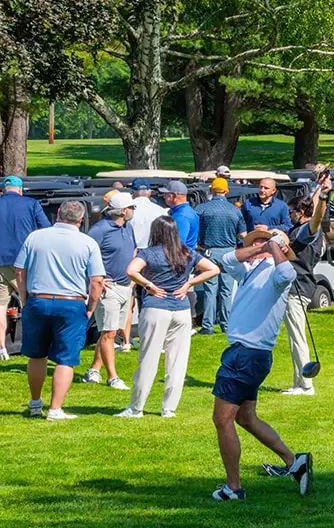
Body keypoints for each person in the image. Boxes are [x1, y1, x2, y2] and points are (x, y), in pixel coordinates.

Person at [209, 227, 312, 501]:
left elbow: (288, 273)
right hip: (246, 355)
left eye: (261, 243)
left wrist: (275, 248)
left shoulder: (276, 274)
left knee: (222, 418)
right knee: (245, 417)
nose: (254, 247)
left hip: (246, 355)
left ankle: (234, 488)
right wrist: (262, 246)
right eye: (254, 244)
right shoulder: (250, 269)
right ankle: (294, 462)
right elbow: (228, 260)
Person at [118, 216, 218, 418]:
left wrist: (148, 285)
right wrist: (189, 284)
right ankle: (168, 408)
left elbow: (131, 270)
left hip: (156, 308)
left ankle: (136, 407)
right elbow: (214, 269)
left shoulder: (149, 253)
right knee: (177, 361)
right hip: (181, 310)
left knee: (148, 358)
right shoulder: (187, 252)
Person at [16, 200, 105, 420]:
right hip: (71, 302)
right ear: (81, 219)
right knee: (66, 358)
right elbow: (97, 281)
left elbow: (20, 270)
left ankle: (36, 401)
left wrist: (24, 298)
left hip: (38, 299)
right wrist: (91, 308)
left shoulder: (35, 237)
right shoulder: (87, 243)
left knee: (37, 355)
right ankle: (55, 409)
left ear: (58, 213)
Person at [0, 175, 49, 360]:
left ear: (2, 190)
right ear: (20, 189)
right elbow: (45, 229)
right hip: (24, 264)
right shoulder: (32, 204)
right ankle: (35, 343)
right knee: (30, 303)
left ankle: (1, 348)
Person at [83, 191, 137, 391]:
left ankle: (94, 370)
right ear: (123, 211)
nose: (133, 210)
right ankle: (112, 376)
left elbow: (133, 251)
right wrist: (97, 278)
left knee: (110, 333)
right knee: (109, 332)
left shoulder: (127, 228)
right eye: (132, 207)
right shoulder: (100, 230)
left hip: (125, 286)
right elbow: (84, 256)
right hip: (109, 288)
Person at [280, 178, 329, 395]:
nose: (289, 214)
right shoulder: (300, 228)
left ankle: (306, 384)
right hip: (297, 286)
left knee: (298, 337)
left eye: (291, 211)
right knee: (294, 337)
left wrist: (325, 197)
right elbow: (312, 206)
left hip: (297, 287)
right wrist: (319, 188)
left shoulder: (306, 232)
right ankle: (298, 381)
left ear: (300, 212)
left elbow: (316, 218)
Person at [195, 177, 243, 334]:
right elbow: (242, 234)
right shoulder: (235, 210)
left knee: (210, 289)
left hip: (209, 251)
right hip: (229, 252)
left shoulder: (202, 209)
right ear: (226, 191)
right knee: (226, 291)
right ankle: (226, 324)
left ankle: (207, 326)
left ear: (211, 190)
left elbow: (195, 230)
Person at [128, 179, 167, 248]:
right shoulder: (161, 211)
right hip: (154, 250)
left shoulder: (127, 210)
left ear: (132, 193)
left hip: (133, 251)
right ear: (149, 193)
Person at [165, 180, 199, 251]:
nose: (164, 196)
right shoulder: (188, 211)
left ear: (173, 196)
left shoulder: (181, 216)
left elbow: (177, 244)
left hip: (181, 258)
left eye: (166, 194)